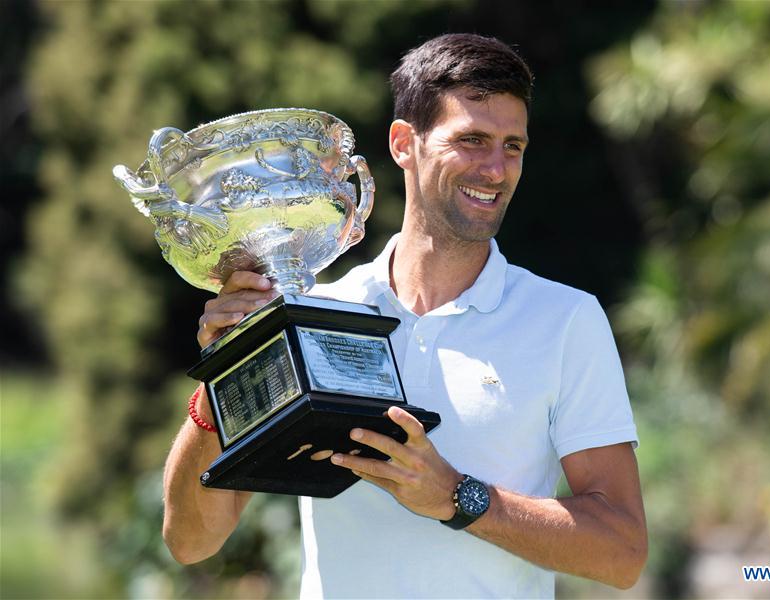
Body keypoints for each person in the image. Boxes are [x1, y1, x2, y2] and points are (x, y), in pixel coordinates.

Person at [162, 33, 647, 598]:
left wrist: (457, 497)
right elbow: (190, 542)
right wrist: (224, 375)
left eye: (512, 146)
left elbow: (622, 553)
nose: (496, 170)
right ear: (403, 144)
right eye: (471, 140)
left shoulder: (566, 320)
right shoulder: (317, 312)